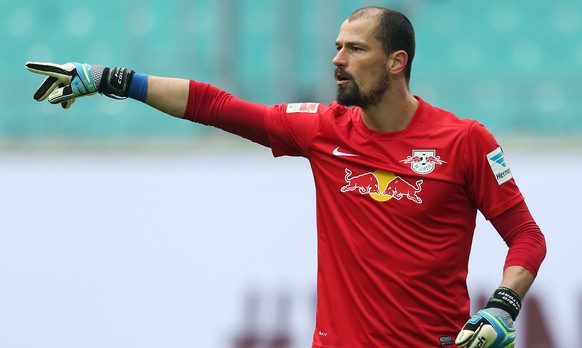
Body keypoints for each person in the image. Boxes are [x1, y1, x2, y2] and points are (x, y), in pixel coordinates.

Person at [25, 6, 546, 348]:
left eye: (355, 49)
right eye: (337, 46)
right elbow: (215, 104)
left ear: (396, 62)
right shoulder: (322, 130)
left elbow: (526, 235)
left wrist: (503, 305)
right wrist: (113, 80)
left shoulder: (464, 141)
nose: (337, 60)